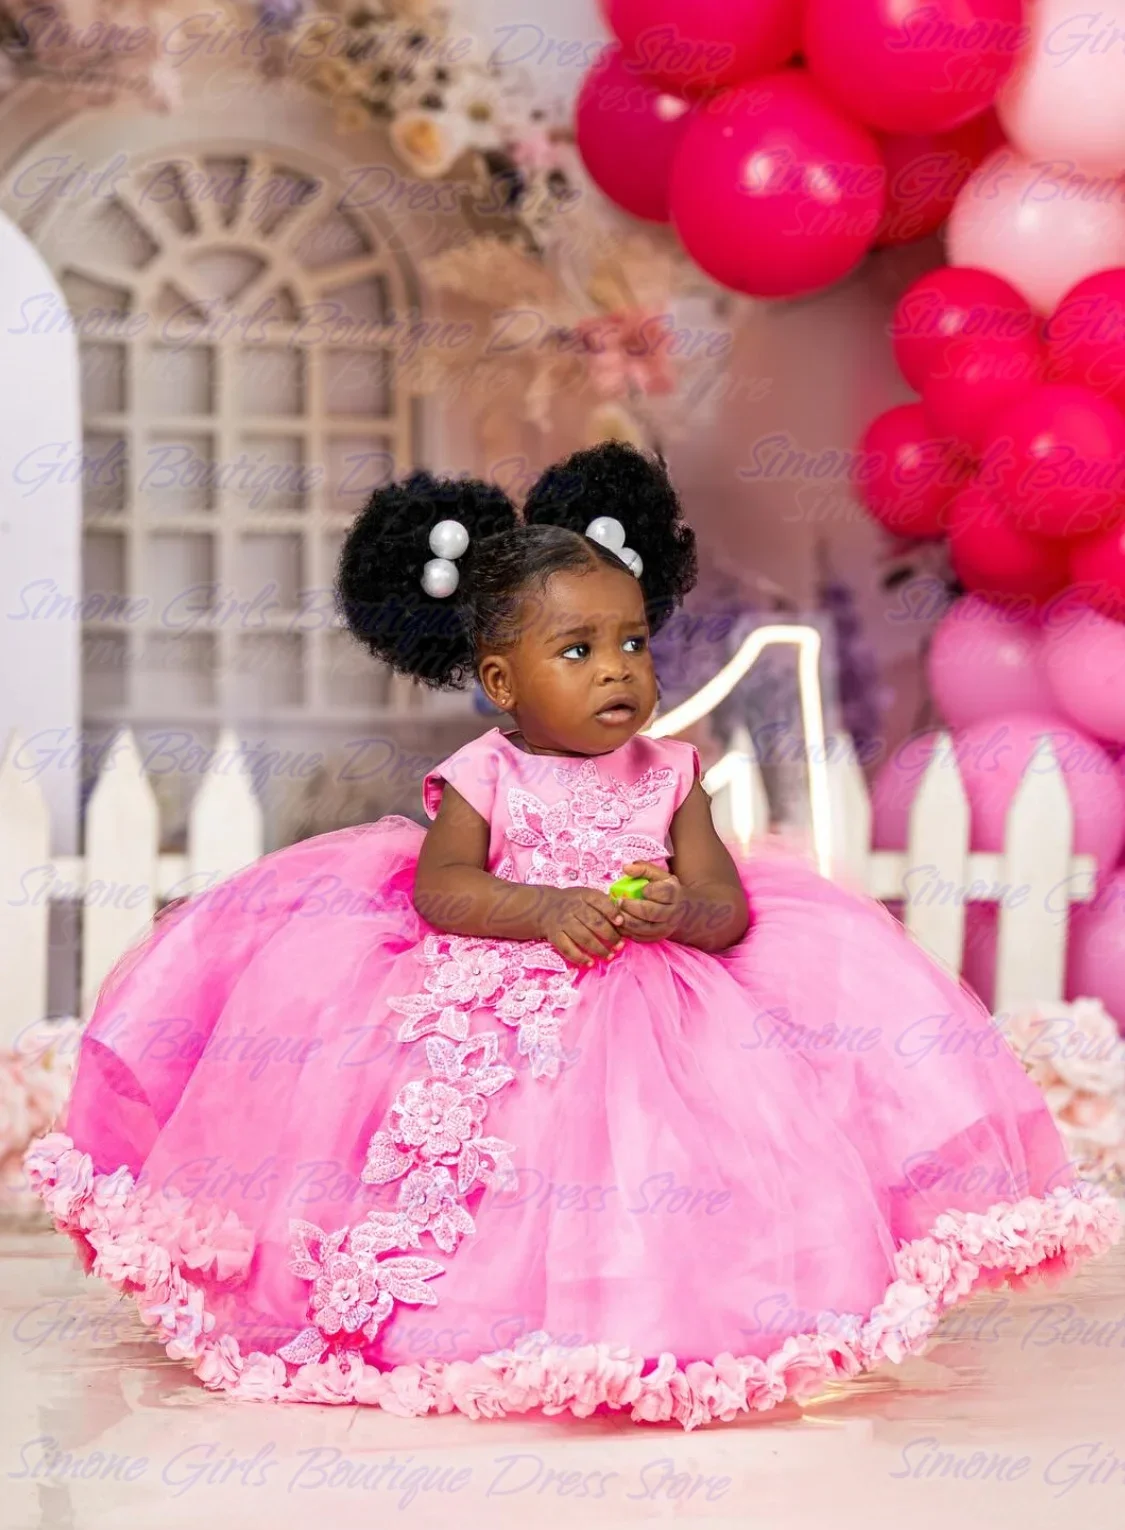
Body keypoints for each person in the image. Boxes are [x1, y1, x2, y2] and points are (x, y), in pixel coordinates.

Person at [25, 443, 1118, 1429]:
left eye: (633, 642)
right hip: (492, 995)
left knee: (658, 1160)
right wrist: (545, 909)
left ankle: (659, 1317)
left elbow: (727, 907)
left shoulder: (672, 774)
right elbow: (446, 890)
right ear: (503, 682)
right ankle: (449, 1319)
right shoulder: (485, 774)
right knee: (483, 1159)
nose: (617, 670)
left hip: (656, 1014)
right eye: (580, 649)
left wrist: (678, 911)